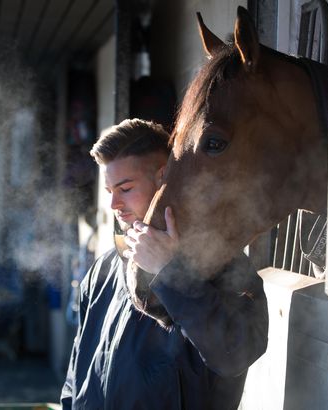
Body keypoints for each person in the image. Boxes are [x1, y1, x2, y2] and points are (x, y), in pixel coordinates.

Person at [60, 118, 268, 410]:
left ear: (162, 179)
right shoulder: (105, 268)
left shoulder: (222, 263)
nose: (114, 206)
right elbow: (75, 377)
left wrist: (171, 271)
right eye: (110, 192)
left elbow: (237, 353)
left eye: (126, 188)